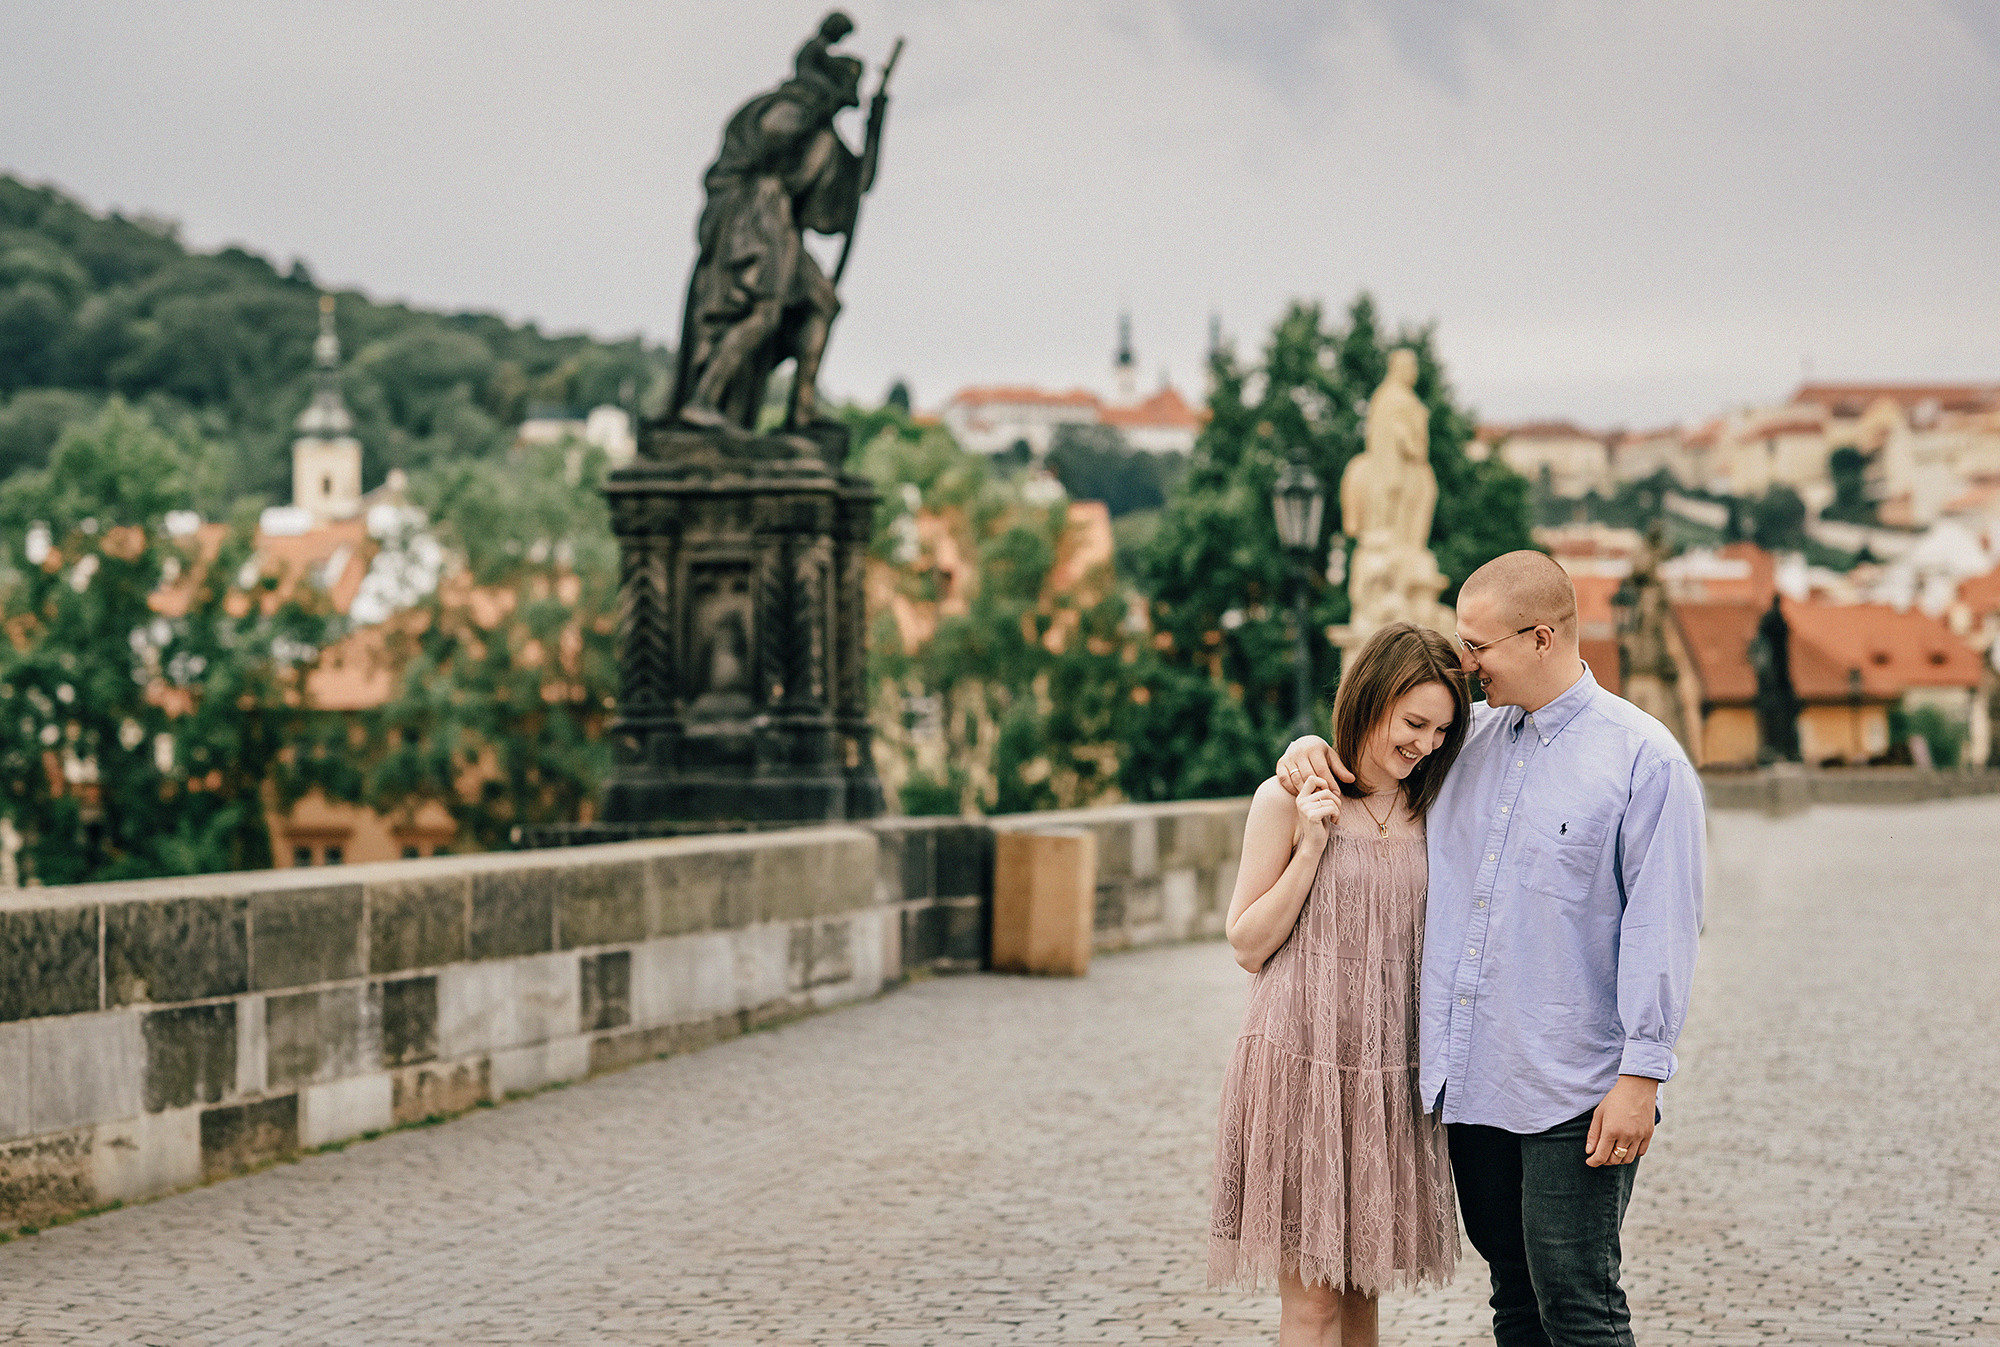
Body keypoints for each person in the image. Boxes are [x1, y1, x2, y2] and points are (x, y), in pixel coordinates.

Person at [1275, 551, 1704, 1347]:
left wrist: (1641, 1077)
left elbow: (1662, 927)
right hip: (1472, 1085)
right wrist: (1304, 747)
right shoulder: (1461, 748)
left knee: (1578, 1300)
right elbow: (1372, 773)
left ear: (1542, 637)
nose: (1464, 664)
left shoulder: (1644, 759)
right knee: (1513, 1295)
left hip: (1575, 1087)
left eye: (1477, 646)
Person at [1210, 622, 1471, 1347]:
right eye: (1413, 721)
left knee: (1360, 1299)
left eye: (1440, 730)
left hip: (1387, 1072)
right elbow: (1246, 944)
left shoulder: (1440, 807)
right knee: (1315, 1304)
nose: (1423, 743)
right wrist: (1311, 846)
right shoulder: (1285, 797)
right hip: (1300, 1060)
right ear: (1371, 696)